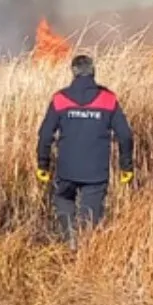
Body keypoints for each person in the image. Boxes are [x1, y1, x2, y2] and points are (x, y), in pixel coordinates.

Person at [35, 53, 134, 245]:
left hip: (66, 170)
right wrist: (126, 167)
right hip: (96, 173)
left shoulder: (60, 99)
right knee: (91, 218)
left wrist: (43, 165)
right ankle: (85, 253)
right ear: (93, 72)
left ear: (73, 73)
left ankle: (70, 242)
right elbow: (125, 135)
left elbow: (45, 135)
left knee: (64, 201)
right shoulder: (108, 99)